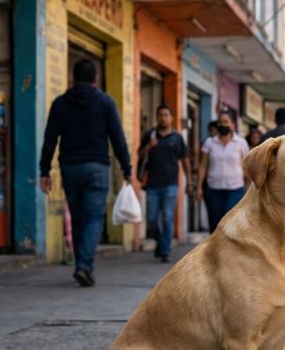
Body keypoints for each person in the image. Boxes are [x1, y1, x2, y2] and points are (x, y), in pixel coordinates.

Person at [39, 59, 132, 287]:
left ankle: (82, 264)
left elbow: (50, 140)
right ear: (95, 79)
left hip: (70, 168)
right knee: (93, 217)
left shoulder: (60, 104)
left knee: (79, 217)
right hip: (97, 168)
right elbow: (117, 138)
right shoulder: (105, 102)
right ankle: (84, 265)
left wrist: (44, 170)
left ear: (72, 78)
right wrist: (127, 168)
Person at [138, 105, 191, 263]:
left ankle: (165, 251)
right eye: (160, 115)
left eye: (166, 115)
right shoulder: (150, 135)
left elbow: (185, 160)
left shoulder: (177, 138)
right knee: (152, 219)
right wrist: (149, 146)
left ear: (171, 117)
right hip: (153, 184)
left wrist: (189, 181)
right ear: (156, 117)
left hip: (171, 184)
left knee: (168, 218)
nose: (163, 118)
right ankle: (161, 244)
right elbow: (139, 155)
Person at [196, 110, 249, 232]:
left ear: (232, 125)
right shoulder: (209, 143)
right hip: (214, 189)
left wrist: (249, 188)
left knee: (229, 221)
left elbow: (246, 166)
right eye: (220, 122)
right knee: (215, 224)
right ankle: (215, 250)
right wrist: (199, 187)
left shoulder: (241, 143)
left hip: (235, 189)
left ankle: (230, 250)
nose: (223, 125)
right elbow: (203, 165)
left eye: (226, 122)